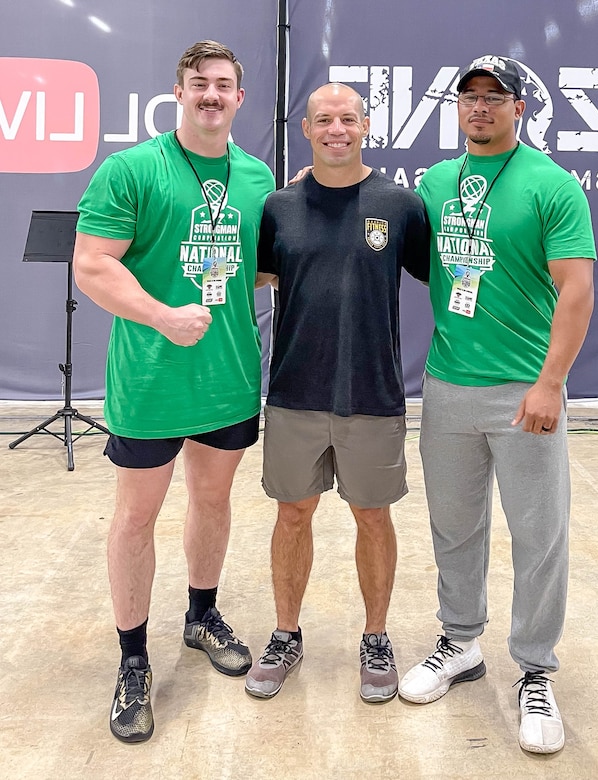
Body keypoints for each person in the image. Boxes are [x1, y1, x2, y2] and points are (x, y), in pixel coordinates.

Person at [73, 40, 275, 743]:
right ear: (179, 93)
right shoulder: (132, 170)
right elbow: (92, 265)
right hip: (151, 383)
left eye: (224, 84)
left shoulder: (256, 177)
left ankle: (201, 615)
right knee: (135, 519)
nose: (212, 94)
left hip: (229, 380)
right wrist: (160, 315)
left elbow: (254, 266)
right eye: (199, 83)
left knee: (214, 501)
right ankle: (133, 659)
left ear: (239, 98)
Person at [397, 55, 596, 755]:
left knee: (539, 537)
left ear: (519, 108)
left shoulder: (551, 185)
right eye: (468, 96)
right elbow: (385, 230)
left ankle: (536, 668)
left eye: (494, 96)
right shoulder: (435, 182)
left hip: (524, 391)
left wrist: (549, 384)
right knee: (454, 526)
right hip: (448, 385)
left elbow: (576, 290)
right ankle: (460, 642)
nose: (479, 107)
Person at [244, 83, 430, 703]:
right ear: (306, 129)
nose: (336, 129)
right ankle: (285, 633)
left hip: (373, 394)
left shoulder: (400, 205)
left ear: (365, 125)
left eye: (347, 118)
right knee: (292, 513)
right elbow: (262, 276)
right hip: (295, 391)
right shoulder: (278, 207)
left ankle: (376, 636)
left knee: (372, 516)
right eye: (324, 119)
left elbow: (451, 272)